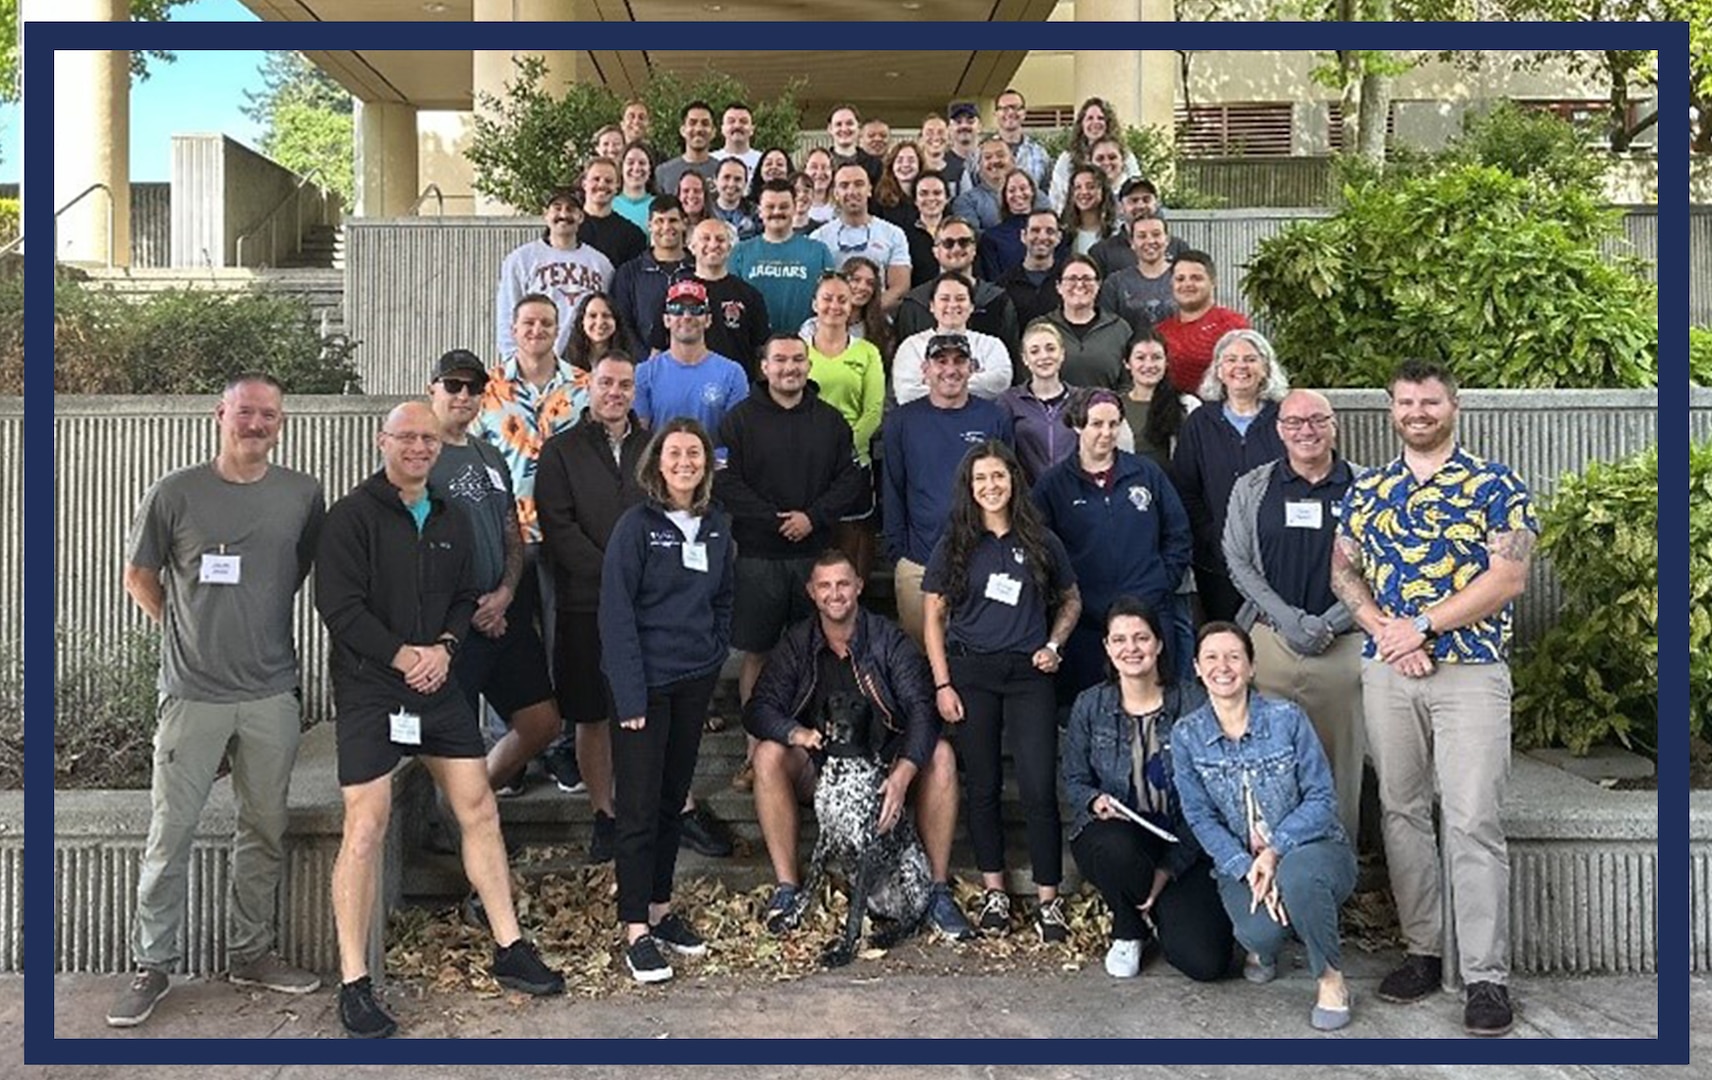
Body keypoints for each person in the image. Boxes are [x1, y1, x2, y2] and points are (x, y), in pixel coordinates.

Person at [316, 403, 565, 1037]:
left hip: (437, 685)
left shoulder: (452, 517)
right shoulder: (351, 517)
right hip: (374, 690)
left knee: (478, 807)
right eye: (408, 437)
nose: (420, 447)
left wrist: (446, 649)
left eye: (428, 439)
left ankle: (510, 948)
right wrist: (405, 656)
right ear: (384, 442)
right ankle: (355, 980)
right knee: (366, 825)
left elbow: (461, 597)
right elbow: (340, 608)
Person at [108, 373, 325, 1030]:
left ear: (280, 424)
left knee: (263, 829)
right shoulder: (176, 492)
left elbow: (299, 569)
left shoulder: (301, 495)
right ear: (219, 415)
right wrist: (185, 631)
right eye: (245, 412)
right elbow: (139, 575)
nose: (256, 423)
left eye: (268, 415)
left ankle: (250, 953)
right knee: (169, 832)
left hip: (269, 693)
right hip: (191, 693)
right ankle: (151, 965)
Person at [1331, 358, 1536, 1038]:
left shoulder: (1497, 485)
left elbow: (1507, 579)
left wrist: (1420, 625)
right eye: (1405, 403)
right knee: (1401, 810)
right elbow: (1343, 573)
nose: (1417, 412)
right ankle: (1424, 949)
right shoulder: (1370, 489)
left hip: (1470, 672)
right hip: (1390, 671)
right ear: (1391, 410)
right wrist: (1387, 633)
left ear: (1454, 405)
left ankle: (1484, 976)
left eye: (1429, 402)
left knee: (1473, 817)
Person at [744, 549, 975, 941]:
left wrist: (903, 772)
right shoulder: (798, 643)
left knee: (940, 754)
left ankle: (936, 891)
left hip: (883, 765)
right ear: (812, 593)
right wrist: (796, 734)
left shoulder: (887, 639)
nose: (835, 594)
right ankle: (788, 889)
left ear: (859, 587)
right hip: (821, 769)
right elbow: (758, 709)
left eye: (843, 584)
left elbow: (922, 707)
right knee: (767, 754)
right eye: (825, 586)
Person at [922, 440, 1080, 941]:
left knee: (1037, 787)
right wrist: (942, 682)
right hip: (972, 675)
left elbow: (1072, 600)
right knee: (984, 786)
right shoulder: (955, 543)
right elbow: (933, 618)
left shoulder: (1040, 540)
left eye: (999, 477)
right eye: (981, 480)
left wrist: (1055, 643)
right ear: (970, 489)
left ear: (1014, 481)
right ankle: (994, 892)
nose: (991, 487)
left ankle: (1048, 899)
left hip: (1030, 674)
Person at [599, 417, 736, 984]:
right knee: (637, 808)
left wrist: (711, 658)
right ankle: (635, 930)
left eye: (695, 454)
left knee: (672, 801)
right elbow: (616, 613)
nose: (685, 462)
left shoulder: (717, 528)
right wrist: (629, 692)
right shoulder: (635, 527)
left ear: (706, 464)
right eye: (675, 453)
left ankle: (659, 909)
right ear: (657, 462)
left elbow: (724, 600)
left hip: (692, 683)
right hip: (643, 687)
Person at [1173, 622, 1357, 1033]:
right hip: (1242, 862)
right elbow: (1200, 817)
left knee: (1300, 877)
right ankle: (1266, 948)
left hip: (1314, 849)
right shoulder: (1186, 735)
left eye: (1234, 656)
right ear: (1198, 669)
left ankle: (1330, 980)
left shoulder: (1287, 719)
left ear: (1252, 667)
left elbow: (1322, 800)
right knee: (1261, 934)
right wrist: (1245, 865)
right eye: (1212, 658)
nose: (1224, 666)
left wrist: (1274, 854)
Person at [716, 333, 868, 786]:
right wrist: (772, 519)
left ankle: (824, 749)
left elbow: (851, 482)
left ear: (809, 365)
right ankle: (752, 752)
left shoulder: (831, 422)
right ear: (763, 367)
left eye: (798, 360)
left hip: (816, 557)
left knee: (819, 653)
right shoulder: (737, 421)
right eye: (780, 360)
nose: (790, 368)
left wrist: (811, 517)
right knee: (759, 655)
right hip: (758, 557)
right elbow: (725, 482)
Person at [1062, 596, 1235, 981]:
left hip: (1184, 844)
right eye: (1119, 639)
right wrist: (1095, 801)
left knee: (1206, 963)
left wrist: (1167, 871)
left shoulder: (1194, 702)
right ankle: (1129, 927)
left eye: (1141, 638)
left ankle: (1158, 907)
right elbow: (1073, 781)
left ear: (1158, 644)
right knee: (1116, 847)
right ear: (1107, 647)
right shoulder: (1090, 705)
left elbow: (1213, 798)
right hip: (1117, 838)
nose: (1131, 648)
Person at [1223, 389, 1366, 842]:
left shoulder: (1367, 487)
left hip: (1343, 645)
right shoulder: (1252, 486)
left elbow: (1383, 570)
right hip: (1270, 641)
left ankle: (1334, 857)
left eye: (1316, 420)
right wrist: (1286, 619)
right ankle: (1268, 858)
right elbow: (1238, 560)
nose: (1306, 430)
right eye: (1294, 422)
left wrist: (1332, 622)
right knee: (1265, 757)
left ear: (1334, 425)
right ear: (1279, 430)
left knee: (1339, 762)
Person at [427, 350, 563, 804]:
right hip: (449, 625)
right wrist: (469, 608)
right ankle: (459, 827)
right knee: (455, 741)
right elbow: (410, 548)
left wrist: (505, 593)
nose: (464, 395)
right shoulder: (418, 452)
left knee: (543, 723)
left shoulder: (490, 454)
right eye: (453, 385)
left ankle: (474, 802)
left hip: (501, 615)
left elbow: (511, 532)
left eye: (474, 387)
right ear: (433, 389)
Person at [534, 350, 648, 865]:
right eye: (606, 383)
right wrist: (611, 575)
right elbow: (557, 526)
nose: (615, 392)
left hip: (647, 607)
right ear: (590, 387)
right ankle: (604, 813)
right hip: (585, 601)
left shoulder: (654, 445)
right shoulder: (560, 451)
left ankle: (648, 809)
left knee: (642, 710)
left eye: (624, 384)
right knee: (591, 714)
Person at [1032, 389, 1193, 698]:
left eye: (1113, 424)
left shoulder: (1146, 473)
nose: (1106, 433)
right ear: (1078, 425)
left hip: (1149, 613)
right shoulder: (1054, 484)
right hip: (1088, 624)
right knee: (1095, 709)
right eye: (1096, 424)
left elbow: (1178, 532)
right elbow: (1039, 546)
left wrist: (1161, 580)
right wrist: (1066, 594)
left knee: (1158, 701)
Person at [881, 332, 1014, 644]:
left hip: (984, 557)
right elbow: (893, 485)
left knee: (980, 649)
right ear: (925, 370)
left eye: (959, 361)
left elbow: (1010, 485)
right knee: (922, 654)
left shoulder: (994, 417)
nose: (950, 369)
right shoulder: (901, 421)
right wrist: (899, 552)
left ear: (972, 368)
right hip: (919, 559)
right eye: (941, 361)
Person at [1172, 329, 1289, 624]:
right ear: (1219, 370)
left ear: (1265, 368)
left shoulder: (1285, 418)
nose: (1241, 367)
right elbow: (1186, 488)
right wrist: (1211, 536)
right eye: (1231, 359)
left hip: (1275, 558)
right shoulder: (1199, 422)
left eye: (1251, 359)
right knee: (1224, 638)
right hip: (1216, 559)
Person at [494, 186, 614, 360]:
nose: (563, 215)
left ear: (581, 217)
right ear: (546, 215)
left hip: (587, 362)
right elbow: (508, 313)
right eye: (557, 208)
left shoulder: (601, 264)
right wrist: (512, 359)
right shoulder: (521, 259)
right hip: (538, 360)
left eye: (571, 209)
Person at [647, 219, 771, 379]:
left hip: (735, 393)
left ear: (730, 247)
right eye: (705, 239)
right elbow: (657, 349)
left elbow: (760, 353)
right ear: (692, 247)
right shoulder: (674, 294)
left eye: (720, 239)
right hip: (684, 388)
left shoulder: (750, 295)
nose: (713, 245)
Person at [633, 278, 750, 443]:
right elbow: (639, 437)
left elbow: (738, 439)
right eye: (677, 309)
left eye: (696, 309)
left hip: (715, 466)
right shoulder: (644, 373)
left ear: (708, 319)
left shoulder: (732, 374)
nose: (686, 316)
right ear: (666, 319)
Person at [893, 215, 1022, 362]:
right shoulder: (914, 304)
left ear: (974, 249)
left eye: (964, 242)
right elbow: (905, 360)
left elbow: (1011, 357)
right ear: (935, 251)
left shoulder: (998, 301)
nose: (956, 248)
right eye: (948, 243)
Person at [731, 178, 835, 336]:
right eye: (770, 207)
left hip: (803, 346)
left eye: (784, 206)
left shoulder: (818, 251)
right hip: (752, 345)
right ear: (760, 211)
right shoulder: (740, 252)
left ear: (794, 208)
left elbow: (830, 299)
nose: (777, 212)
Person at [892, 273, 1014, 404]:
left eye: (960, 299)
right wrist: (974, 379)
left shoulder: (991, 345)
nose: (953, 305)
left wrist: (934, 383)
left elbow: (1001, 383)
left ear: (972, 306)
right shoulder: (911, 346)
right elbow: (907, 394)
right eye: (944, 299)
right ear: (932, 306)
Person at [812, 161, 912, 313]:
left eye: (859, 184)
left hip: (878, 323)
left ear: (870, 190)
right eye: (844, 186)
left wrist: (866, 314)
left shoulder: (893, 234)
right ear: (835, 193)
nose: (852, 191)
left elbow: (900, 287)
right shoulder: (819, 238)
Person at [1154, 251, 1250, 396]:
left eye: (1196, 278)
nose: (1187, 284)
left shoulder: (1232, 325)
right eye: (1180, 279)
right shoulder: (1160, 331)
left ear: (1213, 282)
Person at [609, 195, 694, 359]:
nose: (666, 227)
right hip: (643, 366)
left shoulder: (698, 270)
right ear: (649, 226)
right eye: (659, 221)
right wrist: (646, 357)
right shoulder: (629, 273)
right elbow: (622, 322)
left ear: (684, 223)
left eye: (673, 220)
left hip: (693, 363)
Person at [998, 319, 1078, 485]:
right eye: (1034, 351)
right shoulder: (1009, 401)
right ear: (1025, 359)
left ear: (1062, 353)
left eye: (1050, 349)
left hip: (1074, 494)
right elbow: (1002, 454)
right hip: (1029, 498)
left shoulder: (1081, 399)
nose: (1044, 356)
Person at [1043, 255, 1130, 390]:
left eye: (1087, 279)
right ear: (1058, 286)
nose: (1079, 284)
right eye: (1071, 279)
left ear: (1098, 285)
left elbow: (1129, 383)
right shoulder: (1041, 329)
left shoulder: (1119, 329)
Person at [1120, 328, 1197, 475]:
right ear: (1127, 363)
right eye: (1140, 358)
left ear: (1166, 362)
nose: (1149, 365)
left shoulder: (1188, 405)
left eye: (1156, 357)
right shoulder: (1114, 407)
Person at [1048, 97, 1141, 214]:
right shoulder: (1067, 159)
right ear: (1081, 124)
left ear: (1108, 123)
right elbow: (1057, 198)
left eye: (1101, 118)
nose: (1095, 122)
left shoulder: (1126, 156)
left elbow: (1136, 190)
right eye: (1089, 118)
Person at [1097, 212, 1177, 335]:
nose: (1150, 241)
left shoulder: (1182, 278)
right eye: (1142, 236)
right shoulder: (1116, 283)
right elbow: (1108, 331)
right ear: (1132, 243)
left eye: (1156, 234)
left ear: (1167, 239)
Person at [1091, 177, 1189, 275]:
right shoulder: (1102, 253)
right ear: (1120, 207)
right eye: (1134, 200)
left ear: (1156, 204)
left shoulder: (1178, 248)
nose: (1141, 206)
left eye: (1146, 199)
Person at [995, 208, 1067, 328]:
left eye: (1049, 231)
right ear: (1023, 236)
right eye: (1035, 230)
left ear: (1059, 237)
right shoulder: (1003, 285)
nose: (1042, 237)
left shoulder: (1069, 280)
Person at [975, 169, 1048, 283]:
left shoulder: (1049, 232)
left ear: (1033, 191)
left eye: (1023, 188)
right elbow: (993, 281)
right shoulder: (991, 238)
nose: (1018, 194)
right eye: (1012, 190)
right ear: (1005, 196)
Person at [579, 156, 648, 269]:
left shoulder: (632, 235)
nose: (601, 185)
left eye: (608, 181)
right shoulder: (567, 229)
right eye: (596, 179)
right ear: (584, 184)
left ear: (617, 186)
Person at [950, 137, 1018, 232]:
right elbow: (972, 236)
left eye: (1000, 155)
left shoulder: (1032, 195)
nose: (994, 161)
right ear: (980, 166)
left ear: (1013, 161)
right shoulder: (967, 201)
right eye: (988, 157)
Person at [654, 100, 720, 197]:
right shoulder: (664, 173)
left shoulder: (723, 172)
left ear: (713, 132)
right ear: (683, 130)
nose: (698, 129)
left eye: (705, 123)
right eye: (692, 123)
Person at [902, 170, 953, 288]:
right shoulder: (902, 235)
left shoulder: (961, 232)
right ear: (915, 200)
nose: (931, 198)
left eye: (937, 193)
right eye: (923, 193)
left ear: (947, 198)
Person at [994, 87, 1050, 189]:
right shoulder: (983, 152)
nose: (1010, 113)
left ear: (1024, 113)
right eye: (1004, 108)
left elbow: (1046, 192)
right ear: (996, 114)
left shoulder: (1040, 153)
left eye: (1015, 107)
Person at [564, 292, 634, 374]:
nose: (600, 322)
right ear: (582, 321)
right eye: (592, 315)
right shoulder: (567, 362)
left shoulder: (630, 360)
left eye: (606, 315)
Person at [1060, 164, 1118, 257]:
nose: (1084, 192)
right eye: (1078, 187)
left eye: (1090, 186)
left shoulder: (1117, 232)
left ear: (1103, 191)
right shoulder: (1063, 233)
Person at [826, 104, 883, 184]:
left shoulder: (875, 165)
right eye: (838, 124)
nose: (844, 129)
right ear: (830, 129)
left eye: (849, 123)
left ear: (859, 128)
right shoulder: (821, 164)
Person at [710, 156, 762, 242]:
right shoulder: (705, 211)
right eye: (726, 177)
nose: (731, 184)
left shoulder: (757, 213)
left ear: (745, 184)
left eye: (738, 179)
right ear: (715, 180)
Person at [874, 140, 924, 227]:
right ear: (891, 166)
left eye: (911, 160)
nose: (905, 165)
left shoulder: (930, 195)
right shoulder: (879, 199)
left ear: (920, 165)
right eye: (899, 160)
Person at [615, 141, 659, 231]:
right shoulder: (609, 204)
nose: (636, 168)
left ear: (650, 170)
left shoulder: (659, 205)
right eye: (630, 162)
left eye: (642, 163)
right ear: (621, 168)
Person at [944, 101, 983, 198]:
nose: (964, 126)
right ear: (949, 129)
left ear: (980, 126)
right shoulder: (942, 165)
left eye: (970, 122)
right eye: (958, 122)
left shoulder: (990, 162)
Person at [711, 101, 761, 177]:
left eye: (743, 122)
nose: (737, 126)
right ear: (722, 129)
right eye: (731, 121)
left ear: (752, 129)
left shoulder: (762, 161)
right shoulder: (711, 160)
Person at [801, 147, 838, 227]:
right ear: (804, 171)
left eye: (825, 167)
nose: (819, 172)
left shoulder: (841, 207)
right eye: (814, 167)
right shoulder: (794, 207)